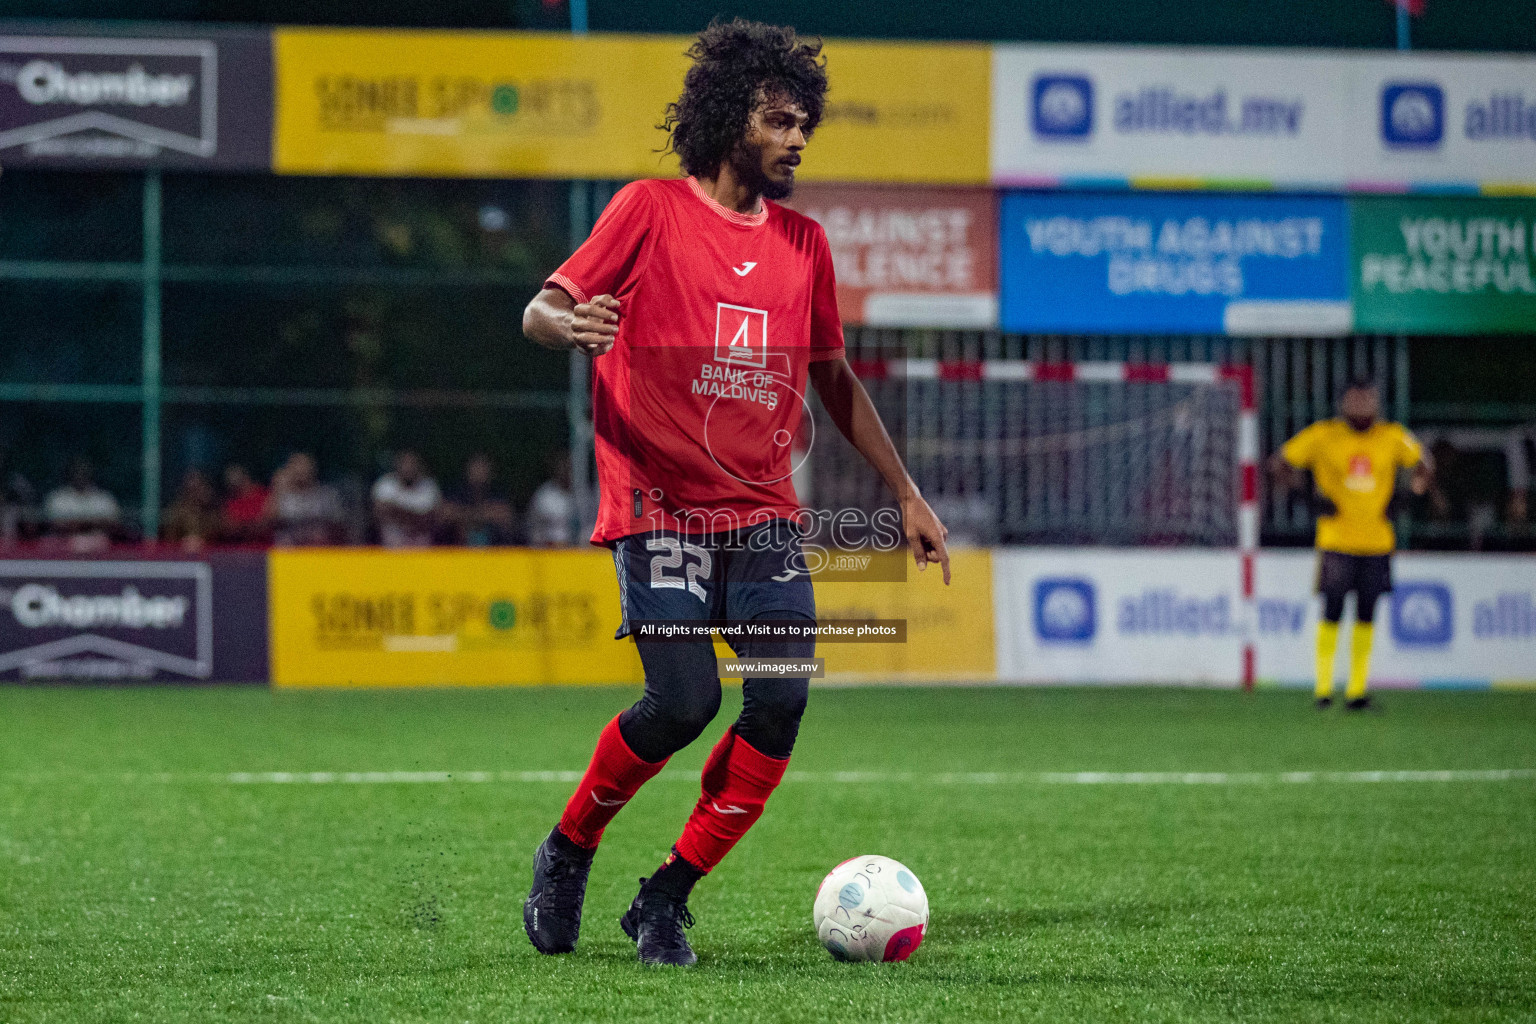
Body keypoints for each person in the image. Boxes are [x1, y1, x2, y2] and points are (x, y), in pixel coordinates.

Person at [519, 19, 950, 968]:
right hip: (660, 504)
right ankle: (568, 849)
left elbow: (834, 379)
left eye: (805, 124)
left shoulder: (806, 244)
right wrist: (573, 325)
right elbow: (540, 306)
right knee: (681, 703)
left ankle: (665, 899)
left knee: (781, 699)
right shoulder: (646, 211)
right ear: (728, 119)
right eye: (779, 120)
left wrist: (905, 494)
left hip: (761, 515)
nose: (797, 139)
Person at [1270, 378, 1433, 712]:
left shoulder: (1391, 436)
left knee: (1366, 614)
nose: (1361, 407)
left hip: (1377, 541)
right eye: (1355, 400)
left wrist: (1407, 498)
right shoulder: (1323, 435)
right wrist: (1308, 500)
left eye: (1367, 400)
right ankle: (1323, 690)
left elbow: (1425, 465)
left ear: (1376, 404)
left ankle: (1357, 692)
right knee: (1331, 610)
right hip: (1336, 540)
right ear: (1343, 404)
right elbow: (1278, 464)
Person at [44, 457, 121, 552]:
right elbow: (56, 524)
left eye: (84, 471)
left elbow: (113, 524)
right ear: (70, 474)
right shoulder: (58, 497)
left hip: (99, 544)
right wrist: (91, 523)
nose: (80, 475)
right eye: (77, 471)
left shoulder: (104, 498)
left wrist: (79, 523)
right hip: (64, 544)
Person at [267, 452, 344, 547]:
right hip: (287, 554)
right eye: (296, 465)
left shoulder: (327, 495)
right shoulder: (284, 495)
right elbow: (268, 523)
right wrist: (278, 490)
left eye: (304, 465)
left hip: (319, 551)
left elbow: (339, 526)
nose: (301, 470)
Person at [371, 449, 442, 548]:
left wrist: (396, 511)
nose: (408, 468)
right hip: (391, 551)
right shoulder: (385, 484)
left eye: (412, 463)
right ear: (397, 465)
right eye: (405, 463)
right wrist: (415, 515)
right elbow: (380, 513)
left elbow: (430, 519)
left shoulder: (429, 486)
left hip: (422, 551)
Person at [446, 453, 515, 546]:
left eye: (482, 468)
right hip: (459, 550)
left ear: (490, 472)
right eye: (475, 468)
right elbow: (446, 514)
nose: (478, 472)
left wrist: (468, 515)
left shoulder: (498, 492)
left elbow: (505, 515)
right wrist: (479, 515)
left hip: (495, 550)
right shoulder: (456, 491)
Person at [161, 468, 221, 551]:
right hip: (182, 556)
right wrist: (182, 543)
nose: (199, 492)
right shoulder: (178, 510)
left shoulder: (214, 511)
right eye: (193, 489)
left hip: (212, 553)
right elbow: (170, 537)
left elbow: (222, 534)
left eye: (200, 487)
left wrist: (204, 540)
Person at [525, 452, 575, 547]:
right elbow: (534, 530)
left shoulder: (583, 494)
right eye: (562, 466)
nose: (565, 470)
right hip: (549, 550)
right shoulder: (544, 496)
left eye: (568, 466)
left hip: (579, 551)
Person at [220, 463, 271, 544]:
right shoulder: (231, 502)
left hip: (266, 545)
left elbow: (266, 522)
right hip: (240, 547)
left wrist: (245, 525)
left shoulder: (264, 494)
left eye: (237, 477)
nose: (233, 482)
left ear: (246, 477)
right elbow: (230, 527)